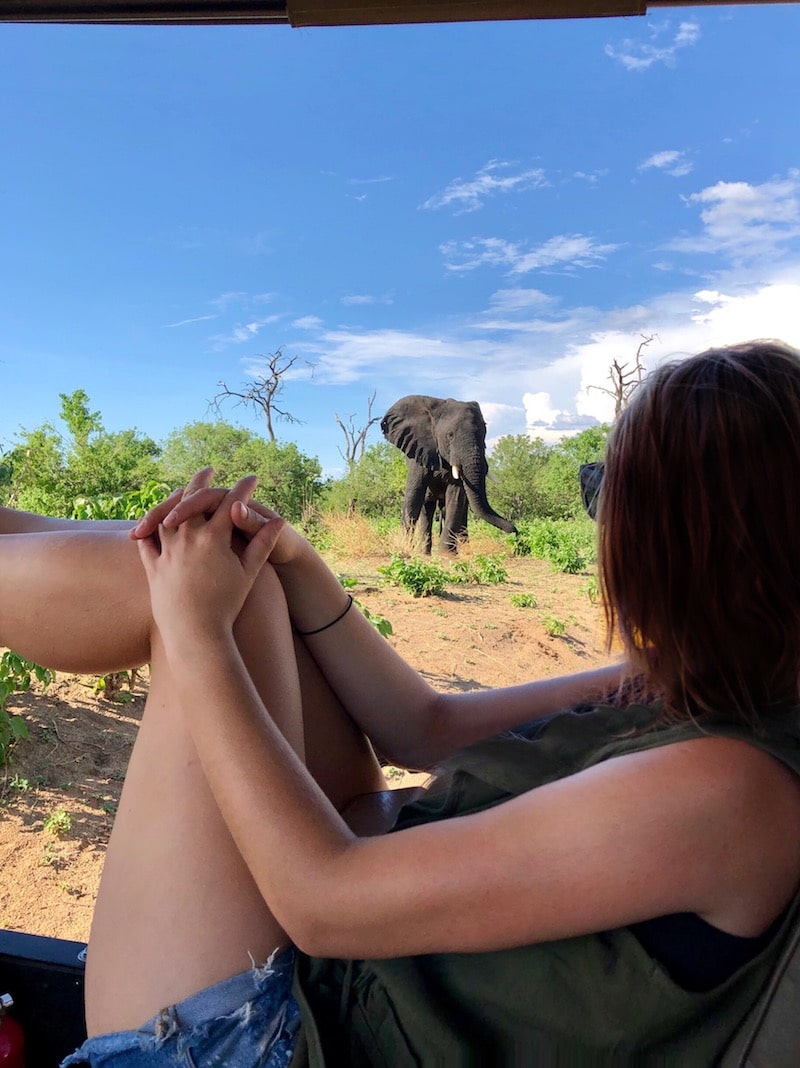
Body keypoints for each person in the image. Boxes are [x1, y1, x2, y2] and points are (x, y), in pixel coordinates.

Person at [1, 339, 800, 1065]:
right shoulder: (696, 681)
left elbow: (325, 902)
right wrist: (301, 562)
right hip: (339, 951)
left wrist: (198, 635)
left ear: (681, 546)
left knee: (218, 602)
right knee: (256, 575)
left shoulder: (731, 794)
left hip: (264, 1035)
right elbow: (425, 728)